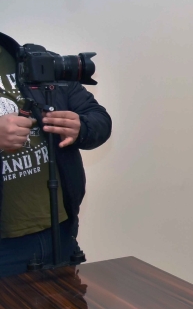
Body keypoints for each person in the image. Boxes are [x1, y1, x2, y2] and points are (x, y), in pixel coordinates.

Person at [0, 32, 112, 277]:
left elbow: (99, 118)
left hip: (59, 230)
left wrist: (81, 127)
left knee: (67, 304)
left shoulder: (33, 59)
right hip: (4, 246)